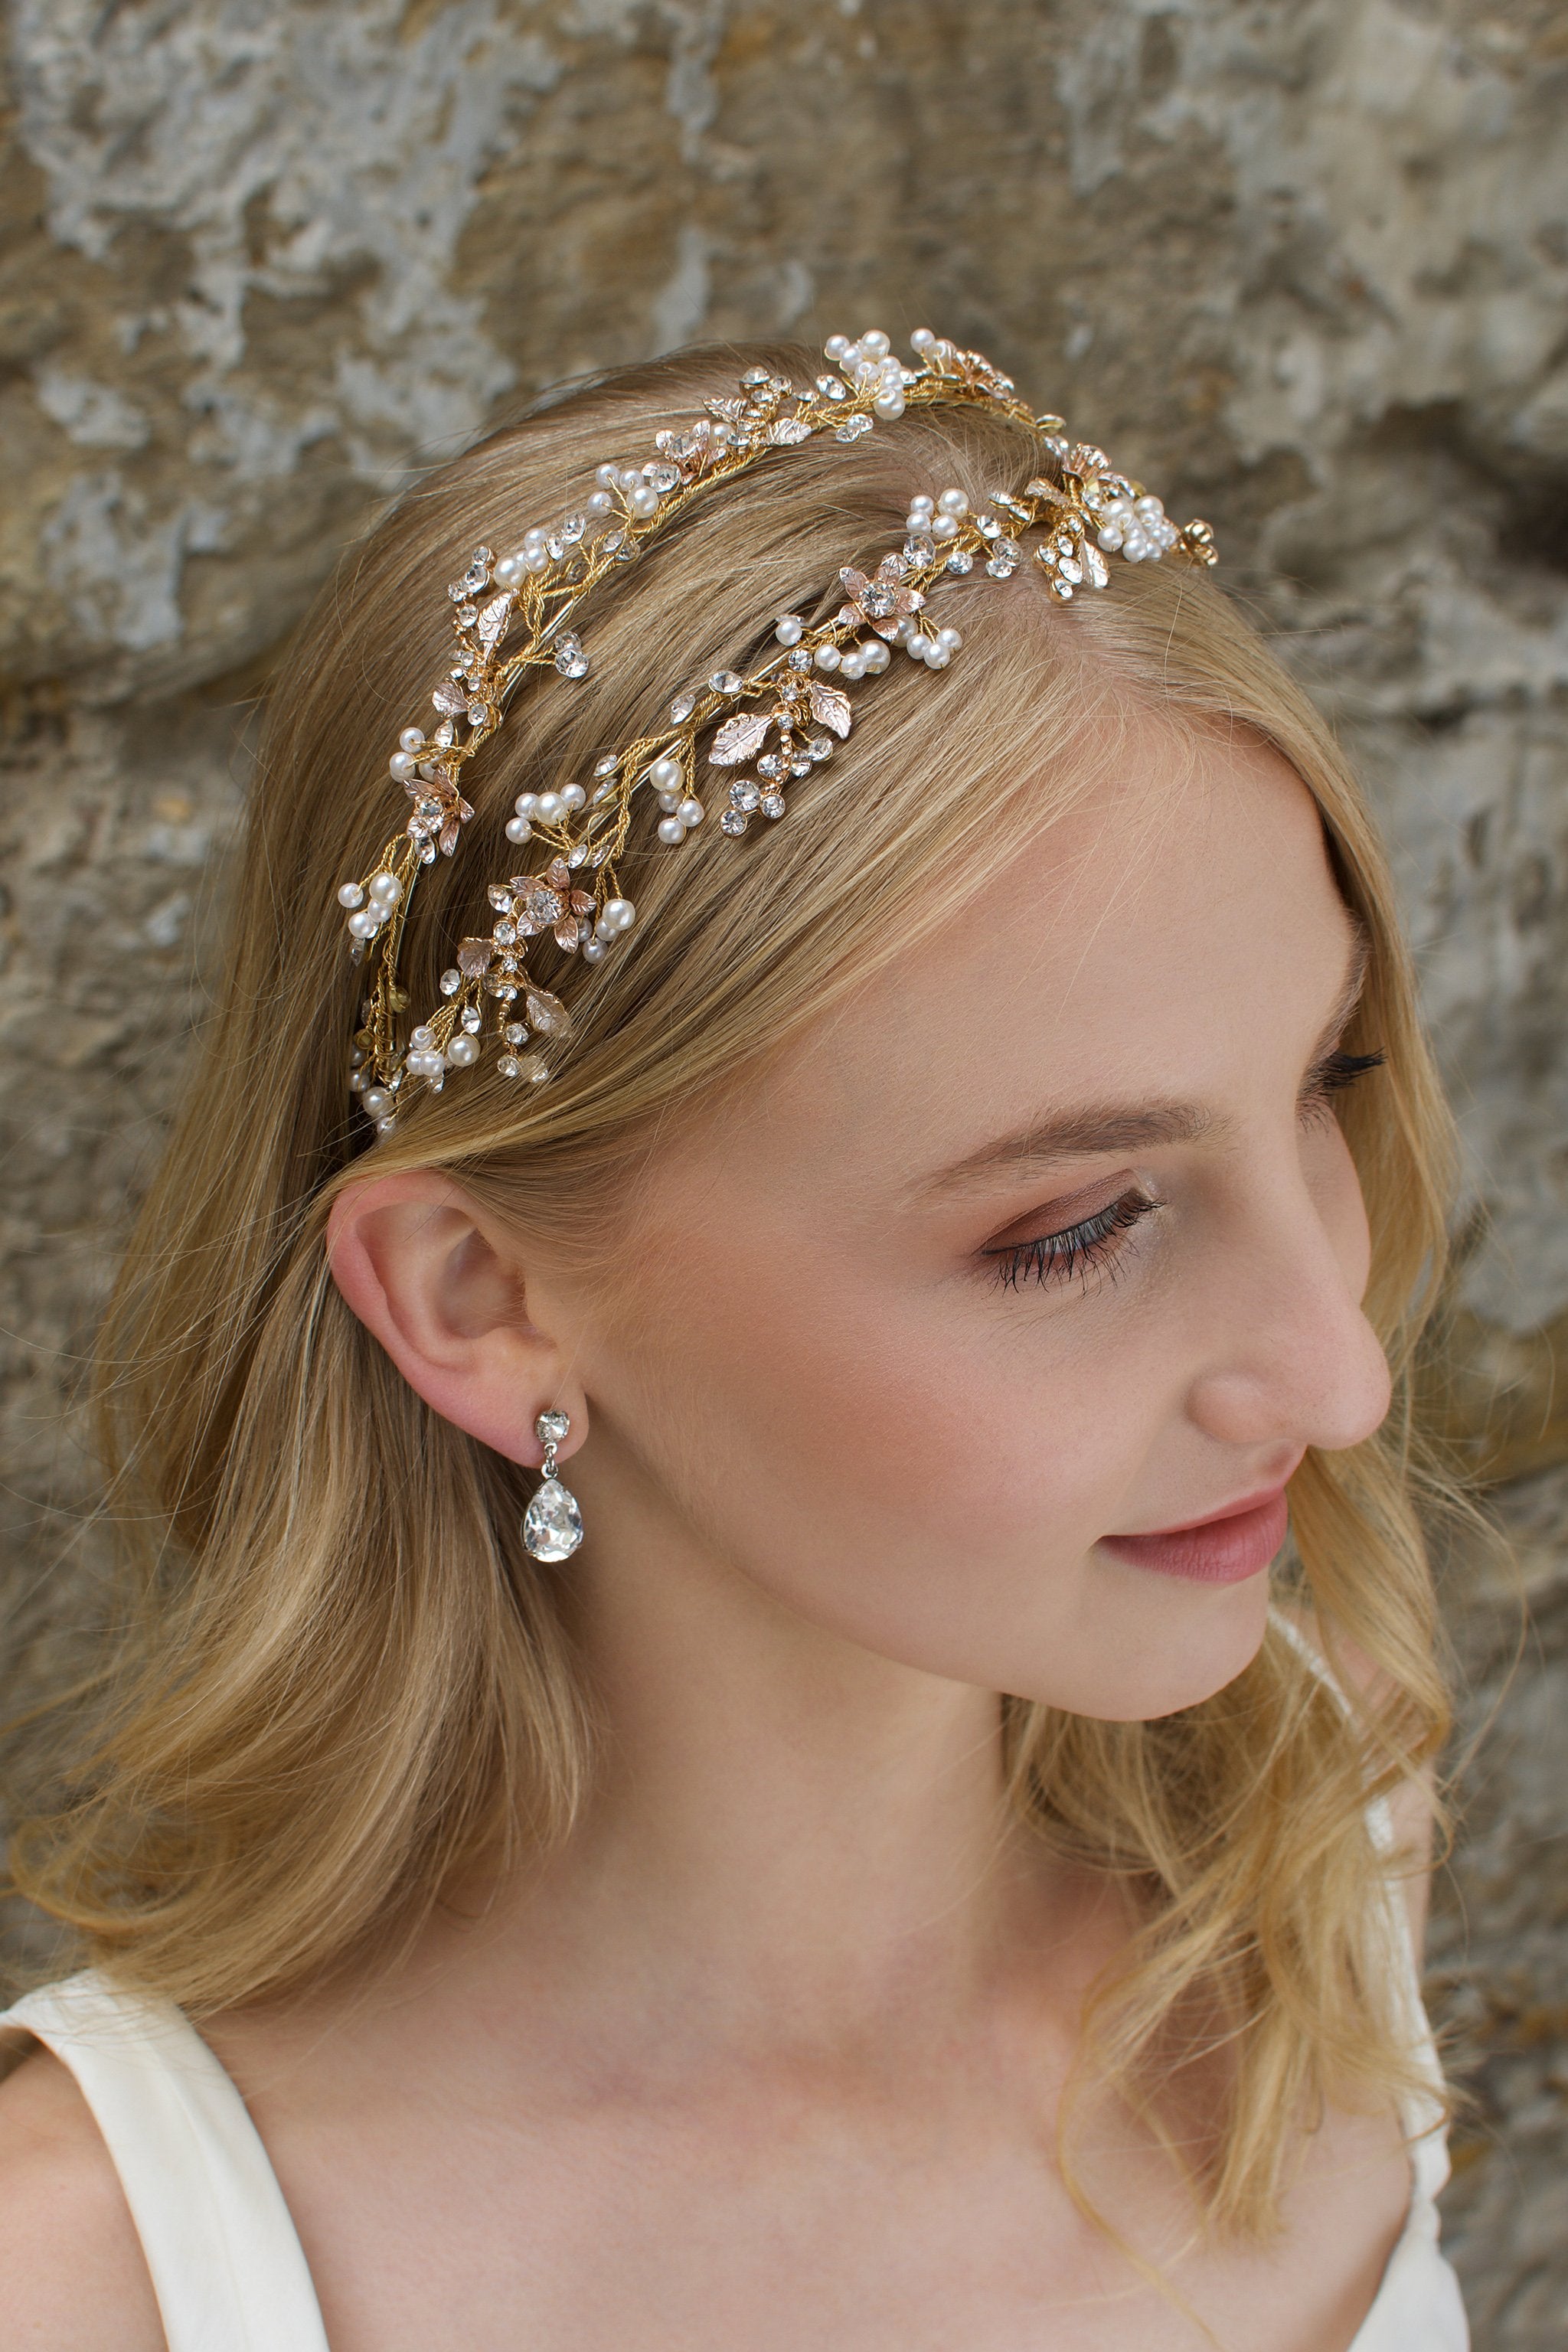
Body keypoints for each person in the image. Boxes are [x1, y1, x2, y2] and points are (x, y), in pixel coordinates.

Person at [0, 328, 1469, 2350]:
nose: (1341, 1374)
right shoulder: (98, 2284)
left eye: (1328, 1077)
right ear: (478, 1300)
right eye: (1073, 1227)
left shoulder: (1324, 1873)